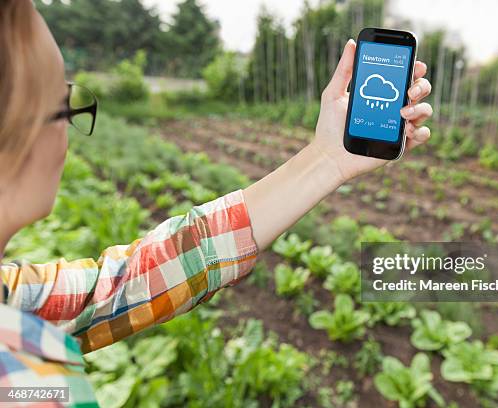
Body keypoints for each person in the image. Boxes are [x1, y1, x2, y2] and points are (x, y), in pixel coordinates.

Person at [0, 1, 432, 405]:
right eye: (61, 104)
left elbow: (122, 286)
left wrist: (327, 159)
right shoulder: (23, 377)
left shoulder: (12, 303)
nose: (69, 131)